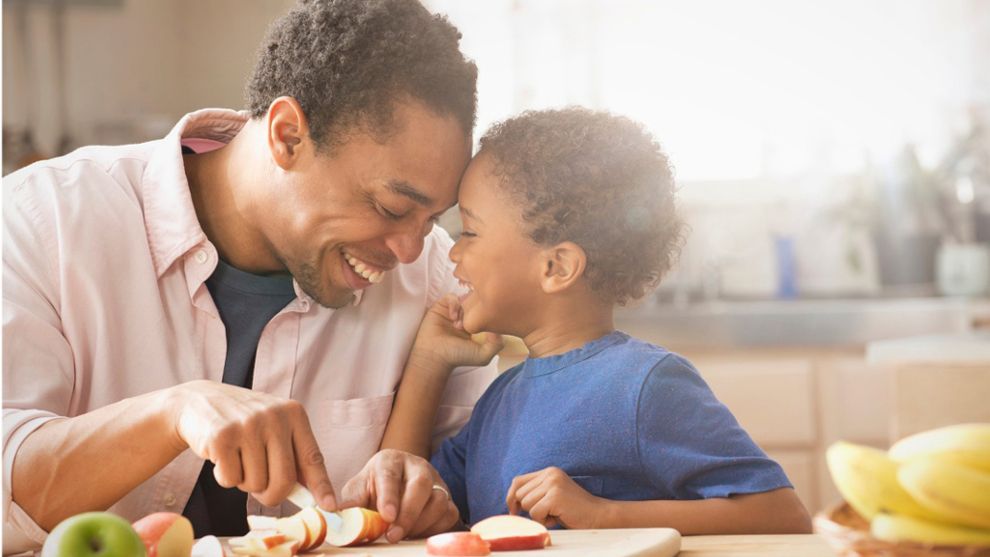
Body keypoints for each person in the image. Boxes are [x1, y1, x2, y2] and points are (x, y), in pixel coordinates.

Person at [1, 0, 504, 552]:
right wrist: (173, 412)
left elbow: (475, 487)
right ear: (287, 135)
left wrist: (425, 491)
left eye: (433, 217)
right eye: (390, 208)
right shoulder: (40, 221)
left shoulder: (431, 273)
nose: (411, 250)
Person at [381, 108, 814, 534]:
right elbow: (400, 506)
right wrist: (428, 362)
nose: (453, 253)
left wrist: (604, 515)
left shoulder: (645, 385)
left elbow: (781, 513)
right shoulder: (499, 401)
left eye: (470, 233)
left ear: (556, 267)